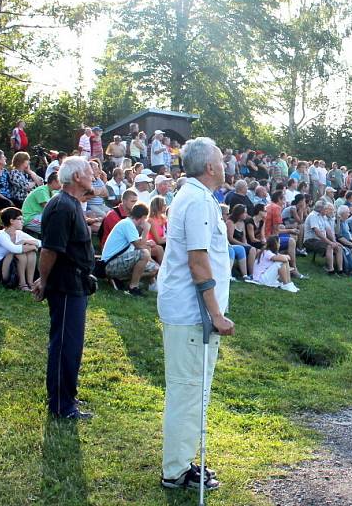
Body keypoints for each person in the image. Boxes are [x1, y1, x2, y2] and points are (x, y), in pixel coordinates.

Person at [157, 137, 234, 492]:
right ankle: (176, 471)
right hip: (192, 314)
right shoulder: (199, 200)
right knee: (189, 392)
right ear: (210, 167)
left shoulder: (194, 197)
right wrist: (216, 314)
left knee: (189, 391)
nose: (225, 164)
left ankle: (182, 462)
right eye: (221, 159)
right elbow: (198, 261)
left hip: (188, 310)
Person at [32, 156, 96, 420]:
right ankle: (61, 404)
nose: (93, 175)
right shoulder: (62, 206)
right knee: (65, 345)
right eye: (90, 172)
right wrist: (43, 281)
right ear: (77, 177)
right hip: (66, 284)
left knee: (71, 344)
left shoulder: (72, 204)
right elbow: (49, 250)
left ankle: (66, 397)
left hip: (76, 283)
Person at [101, 202, 158, 296]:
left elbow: (140, 244)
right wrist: (146, 230)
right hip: (110, 265)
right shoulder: (127, 224)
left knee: (154, 269)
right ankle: (133, 287)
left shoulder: (129, 224)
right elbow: (139, 247)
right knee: (144, 253)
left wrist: (147, 244)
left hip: (117, 261)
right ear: (143, 217)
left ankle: (122, 280)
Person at [0, 207, 41, 290]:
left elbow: (40, 243)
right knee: (19, 253)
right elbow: (14, 249)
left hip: (13, 268)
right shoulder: (1, 235)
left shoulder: (19, 233)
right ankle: (22, 284)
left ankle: (30, 283)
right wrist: (29, 244)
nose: (22, 221)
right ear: (11, 221)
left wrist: (28, 243)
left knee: (31, 252)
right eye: (19, 219)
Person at [303, 201, 343, 274]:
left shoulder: (323, 216)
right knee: (329, 246)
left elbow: (328, 230)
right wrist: (330, 242)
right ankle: (330, 269)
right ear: (321, 209)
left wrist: (334, 241)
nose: (327, 211)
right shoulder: (313, 216)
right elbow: (317, 232)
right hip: (310, 240)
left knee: (338, 247)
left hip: (320, 240)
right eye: (326, 209)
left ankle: (340, 270)